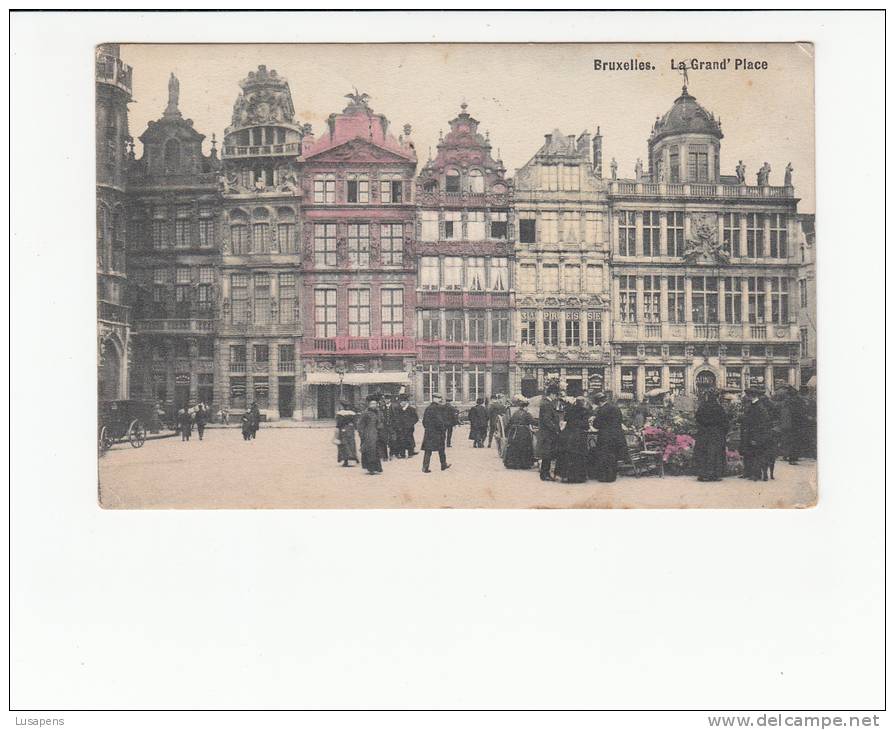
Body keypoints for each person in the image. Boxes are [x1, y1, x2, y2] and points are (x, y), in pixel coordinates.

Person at [693, 389, 730, 482]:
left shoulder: (702, 407)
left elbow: (697, 419)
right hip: (716, 434)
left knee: (703, 453)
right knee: (715, 454)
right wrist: (723, 432)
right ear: (716, 398)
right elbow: (725, 422)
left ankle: (703, 474)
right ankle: (715, 475)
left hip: (704, 434)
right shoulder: (719, 408)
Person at [591, 392, 627, 483]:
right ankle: (612, 476)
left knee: (604, 456)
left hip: (605, 436)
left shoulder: (601, 410)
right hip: (617, 436)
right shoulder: (616, 408)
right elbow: (620, 420)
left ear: (598, 402)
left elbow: (596, 425)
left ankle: (605, 477)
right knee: (613, 456)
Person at [740, 388, 773, 481]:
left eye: (747, 395)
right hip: (749, 433)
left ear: (751, 396)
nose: (745, 397)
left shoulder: (759, 407)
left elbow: (762, 423)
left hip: (755, 435)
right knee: (748, 453)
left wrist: (756, 437)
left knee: (756, 454)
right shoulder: (752, 405)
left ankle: (756, 474)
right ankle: (748, 472)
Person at [559, 397, 591, 483]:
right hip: (579, 436)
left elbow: (566, 421)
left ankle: (568, 476)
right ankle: (579, 477)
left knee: (569, 456)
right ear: (583, 403)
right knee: (579, 456)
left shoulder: (569, 410)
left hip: (568, 435)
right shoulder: (584, 411)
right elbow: (585, 425)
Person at [503, 396, 537, 469]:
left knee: (514, 447)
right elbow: (533, 422)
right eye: (527, 407)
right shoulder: (527, 414)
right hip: (523, 432)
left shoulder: (515, 413)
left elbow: (509, 422)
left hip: (514, 432)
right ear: (525, 407)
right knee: (524, 447)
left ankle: (512, 463)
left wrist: (507, 433)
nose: (527, 409)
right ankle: (524, 464)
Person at [421, 394, 451, 473]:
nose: (440, 400)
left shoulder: (428, 408)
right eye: (439, 398)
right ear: (435, 399)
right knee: (441, 449)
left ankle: (425, 467)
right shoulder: (439, 408)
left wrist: (428, 428)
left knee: (428, 450)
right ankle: (443, 465)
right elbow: (440, 421)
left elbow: (424, 422)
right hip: (438, 433)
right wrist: (443, 429)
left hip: (429, 433)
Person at [538, 386, 562, 481]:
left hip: (547, 433)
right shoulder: (547, 404)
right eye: (555, 395)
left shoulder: (546, 403)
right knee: (547, 454)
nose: (556, 398)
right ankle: (545, 474)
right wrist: (556, 429)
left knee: (547, 453)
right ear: (551, 394)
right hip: (547, 434)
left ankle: (546, 473)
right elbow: (547, 420)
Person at [357, 396, 384, 475]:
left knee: (376, 452)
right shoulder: (365, 413)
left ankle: (377, 467)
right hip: (369, 435)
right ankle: (370, 468)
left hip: (377, 434)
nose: (374, 405)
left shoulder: (379, 412)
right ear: (369, 404)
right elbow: (360, 425)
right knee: (370, 451)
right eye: (372, 403)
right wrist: (362, 434)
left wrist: (381, 427)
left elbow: (381, 421)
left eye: (375, 403)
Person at [779, 386, 806, 465]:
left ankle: (789, 456)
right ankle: (793, 458)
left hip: (790, 424)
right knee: (794, 441)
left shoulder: (788, 401)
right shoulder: (797, 401)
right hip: (796, 424)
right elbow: (801, 413)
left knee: (789, 441)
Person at [393, 394, 419, 458]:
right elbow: (395, 418)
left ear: (406, 402)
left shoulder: (411, 409)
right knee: (401, 441)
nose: (402, 403)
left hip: (409, 428)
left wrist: (411, 424)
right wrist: (397, 425)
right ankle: (402, 454)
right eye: (401, 402)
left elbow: (416, 418)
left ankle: (410, 453)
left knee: (409, 440)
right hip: (400, 428)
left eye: (403, 402)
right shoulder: (398, 409)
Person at [335, 400, 359, 467]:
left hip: (343, 430)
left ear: (342, 406)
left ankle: (345, 460)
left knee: (343, 444)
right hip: (351, 430)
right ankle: (353, 458)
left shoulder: (340, 414)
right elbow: (355, 423)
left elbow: (338, 424)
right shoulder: (352, 413)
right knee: (351, 444)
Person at [379, 393, 395, 461]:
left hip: (392, 426)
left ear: (390, 399)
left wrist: (394, 424)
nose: (386, 400)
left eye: (388, 399)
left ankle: (391, 454)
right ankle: (384, 456)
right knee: (384, 440)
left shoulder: (393, 407)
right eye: (385, 399)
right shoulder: (382, 407)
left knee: (392, 440)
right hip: (384, 426)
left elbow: (396, 417)